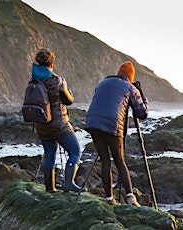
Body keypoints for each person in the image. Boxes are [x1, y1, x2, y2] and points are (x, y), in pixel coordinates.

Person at [85, 61, 149, 206]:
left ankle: (109, 199)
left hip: (92, 122)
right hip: (113, 125)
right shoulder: (130, 87)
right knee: (119, 160)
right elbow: (142, 113)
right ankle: (130, 197)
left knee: (105, 161)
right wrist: (142, 94)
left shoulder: (102, 83)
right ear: (130, 77)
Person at [31, 48, 84, 193]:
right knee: (75, 151)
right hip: (58, 124)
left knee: (49, 153)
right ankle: (69, 182)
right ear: (51, 64)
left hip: (41, 124)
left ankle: (50, 188)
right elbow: (69, 101)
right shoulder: (57, 80)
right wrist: (65, 88)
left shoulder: (33, 79)